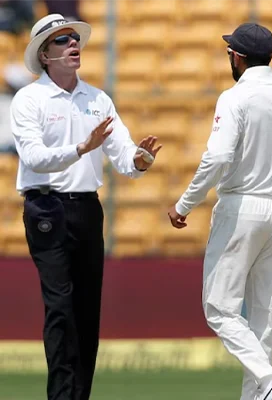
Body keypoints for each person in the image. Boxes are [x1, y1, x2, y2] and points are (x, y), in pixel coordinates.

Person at [167, 22, 272, 400]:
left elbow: (218, 156)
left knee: (218, 308)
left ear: (236, 56)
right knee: (263, 318)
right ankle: (260, 395)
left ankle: (269, 383)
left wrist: (184, 203)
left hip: (241, 207)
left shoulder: (234, 98)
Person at [13, 13, 161, 400]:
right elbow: (34, 157)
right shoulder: (30, 99)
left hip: (86, 209)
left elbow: (125, 155)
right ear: (44, 55)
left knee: (85, 311)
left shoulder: (98, 99)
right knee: (60, 308)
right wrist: (81, 148)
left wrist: (141, 160)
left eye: (74, 38)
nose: (73, 44)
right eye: (62, 41)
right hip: (46, 209)